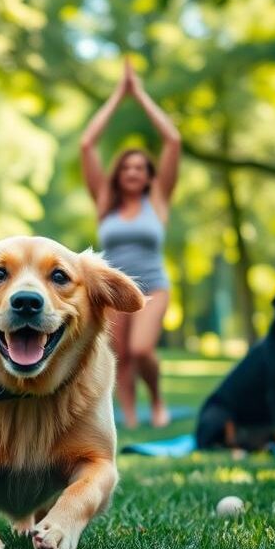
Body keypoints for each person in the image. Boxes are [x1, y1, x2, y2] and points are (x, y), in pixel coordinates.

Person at [80, 58, 181, 428]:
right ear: (118, 174)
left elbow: (174, 140)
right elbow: (87, 143)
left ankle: (156, 399)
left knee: (141, 350)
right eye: (127, 167)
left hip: (153, 285)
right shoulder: (105, 204)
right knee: (119, 354)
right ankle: (131, 418)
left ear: (149, 174)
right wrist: (115, 98)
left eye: (141, 167)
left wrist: (138, 94)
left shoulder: (158, 202)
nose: (134, 172)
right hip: (114, 287)